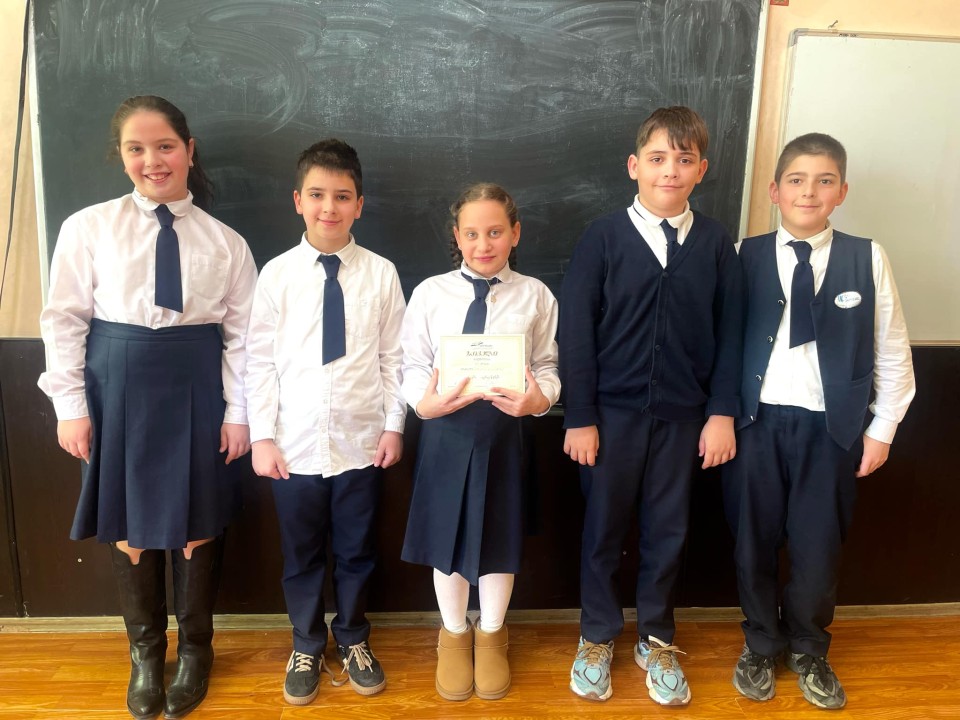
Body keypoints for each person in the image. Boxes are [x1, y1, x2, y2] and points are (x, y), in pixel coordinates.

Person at [37, 95, 258, 720]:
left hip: (197, 386)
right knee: (130, 524)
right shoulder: (88, 228)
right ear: (121, 156)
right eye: (136, 148)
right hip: (117, 386)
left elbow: (245, 339)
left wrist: (238, 413)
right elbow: (64, 319)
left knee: (197, 521)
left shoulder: (227, 242)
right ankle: (145, 652)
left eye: (165, 146)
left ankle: (196, 650)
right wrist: (70, 405)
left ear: (189, 150)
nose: (152, 160)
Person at [723, 133, 915, 710]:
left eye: (824, 180)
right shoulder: (742, 254)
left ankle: (809, 647)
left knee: (818, 546)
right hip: (754, 425)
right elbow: (720, 347)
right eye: (797, 180)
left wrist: (881, 430)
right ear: (774, 191)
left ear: (842, 192)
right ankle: (761, 642)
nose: (809, 191)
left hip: (832, 431)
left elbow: (892, 351)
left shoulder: (867, 257)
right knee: (751, 541)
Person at [559, 106, 743, 706]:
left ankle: (657, 637)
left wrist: (721, 412)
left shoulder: (715, 243)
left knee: (669, 529)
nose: (671, 170)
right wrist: (580, 416)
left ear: (701, 170)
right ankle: (597, 634)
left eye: (684, 160)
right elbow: (576, 333)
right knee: (603, 529)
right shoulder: (603, 237)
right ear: (634, 166)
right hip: (610, 417)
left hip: (684, 416)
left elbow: (732, 332)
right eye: (659, 158)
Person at [244, 139, 405, 705]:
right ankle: (307, 642)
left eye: (341, 196)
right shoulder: (277, 275)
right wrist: (262, 436)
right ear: (298, 201)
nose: (328, 207)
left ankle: (354, 636)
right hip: (293, 446)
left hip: (361, 442)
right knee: (302, 554)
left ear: (359, 204)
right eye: (317, 195)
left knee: (358, 550)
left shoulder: (382, 274)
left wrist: (394, 425)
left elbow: (394, 358)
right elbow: (259, 362)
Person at [400, 182, 560, 701]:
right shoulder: (430, 293)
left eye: (494, 232)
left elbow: (547, 366)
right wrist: (422, 404)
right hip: (445, 434)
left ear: (515, 233)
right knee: (445, 540)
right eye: (471, 233)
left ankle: (492, 634)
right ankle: (453, 634)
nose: (483, 244)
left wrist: (540, 399)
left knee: (499, 539)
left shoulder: (536, 295)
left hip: (505, 435)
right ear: (457, 236)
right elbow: (412, 364)